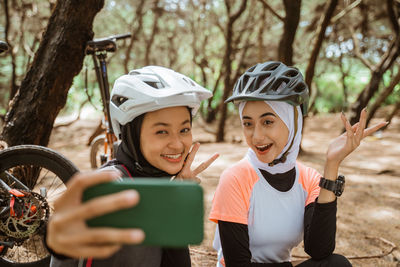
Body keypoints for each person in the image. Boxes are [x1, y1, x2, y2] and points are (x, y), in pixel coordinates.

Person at [208, 61, 388, 267]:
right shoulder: (235, 178)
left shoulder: (308, 179)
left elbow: (319, 250)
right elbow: (237, 263)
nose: (256, 136)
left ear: (293, 121)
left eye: (268, 121)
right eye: (248, 123)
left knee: (336, 264)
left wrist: (332, 165)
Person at [46, 66, 219, 267]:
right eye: (162, 132)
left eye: (184, 129)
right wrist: (55, 238)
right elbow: (70, 233)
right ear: (132, 135)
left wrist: (172, 201)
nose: (177, 143)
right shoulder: (115, 185)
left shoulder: (150, 185)